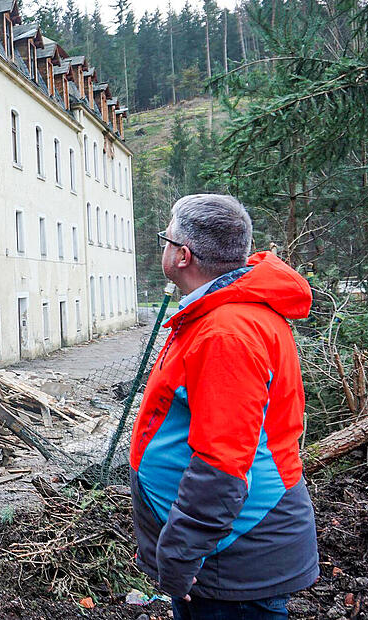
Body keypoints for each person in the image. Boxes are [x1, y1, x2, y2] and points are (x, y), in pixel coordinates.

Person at [129, 194, 319, 619]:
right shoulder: (221, 314)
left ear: (183, 255)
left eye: (165, 239)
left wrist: (180, 555)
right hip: (222, 551)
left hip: (230, 557)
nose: (163, 247)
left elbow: (223, 464)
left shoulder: (226, 333)